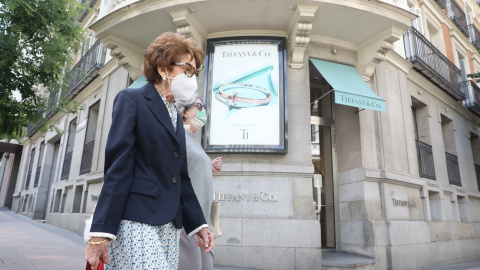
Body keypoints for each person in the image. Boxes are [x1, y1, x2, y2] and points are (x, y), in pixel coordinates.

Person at [84, 32, 214, 270]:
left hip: (169, 224)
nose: (192, 78)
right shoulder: (131, 99)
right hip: (135, 217)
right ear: (164, 67)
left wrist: (199, 224)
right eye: (186, 69)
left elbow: (181, 176)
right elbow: (118, 167)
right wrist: (100, 233)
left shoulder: (175, 115)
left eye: (194, 72)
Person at [176, 94, 222, 270]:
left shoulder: (194, 140)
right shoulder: (177, 136)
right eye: (199, 107)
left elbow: (188, 169)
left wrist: (208, 166)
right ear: (185, 112)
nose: (204, 112)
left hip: (202, 221)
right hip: (186, 221)